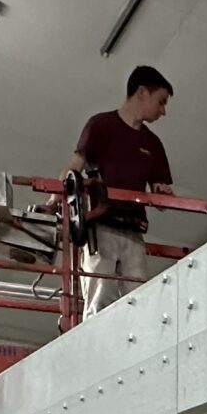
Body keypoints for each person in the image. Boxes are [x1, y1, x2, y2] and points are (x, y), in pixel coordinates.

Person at [67, 65, 174, 317]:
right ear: (142, 92)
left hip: (134, 230)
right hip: (101, 226)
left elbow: (162, 193)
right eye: (161, 102)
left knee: (138, 301)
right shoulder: (101, 125)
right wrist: (54, 201)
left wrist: (162, 193)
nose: (163, 111)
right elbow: (74, 169)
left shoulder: (153, 144)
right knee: (99, 298)